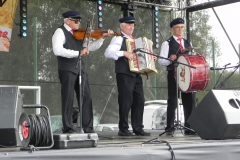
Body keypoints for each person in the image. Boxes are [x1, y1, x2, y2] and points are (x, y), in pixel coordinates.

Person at [52, 10, 113, 134]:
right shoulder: (59, 32)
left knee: (86, 97)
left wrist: (102, 38)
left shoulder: (79, 34)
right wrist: (77, 53)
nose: (78, 23)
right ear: (67, 21)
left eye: (79, 21)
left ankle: (88, 128)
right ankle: (68, 127)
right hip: (67, 69)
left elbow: (90, 47)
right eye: (76, 21)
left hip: (80, 68)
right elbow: (57, 50)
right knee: (68, 98)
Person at [104, 16, 151, 136]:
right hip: (124, 73)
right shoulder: (118, 37)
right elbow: (108, 53)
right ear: (122, 26)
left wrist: (150, 58)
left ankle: (138, 128)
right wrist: (123, 52)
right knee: (125, 100)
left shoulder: (135, 40)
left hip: (136, 74)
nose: (132, 27)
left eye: (133, 25)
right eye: (129, 25)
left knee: (139, 100)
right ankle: (123, 129)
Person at [158, 18, 196, 135]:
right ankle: (169, 126)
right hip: (173, 74)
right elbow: (160, 61)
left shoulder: (188, 43)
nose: (180, 30)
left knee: (189, 100)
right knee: (173, 100)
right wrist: (170, 60)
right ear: (172, 29)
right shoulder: (167, 43)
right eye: (178, 27)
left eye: (182, 27)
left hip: (187, 75)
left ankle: (189, 126)